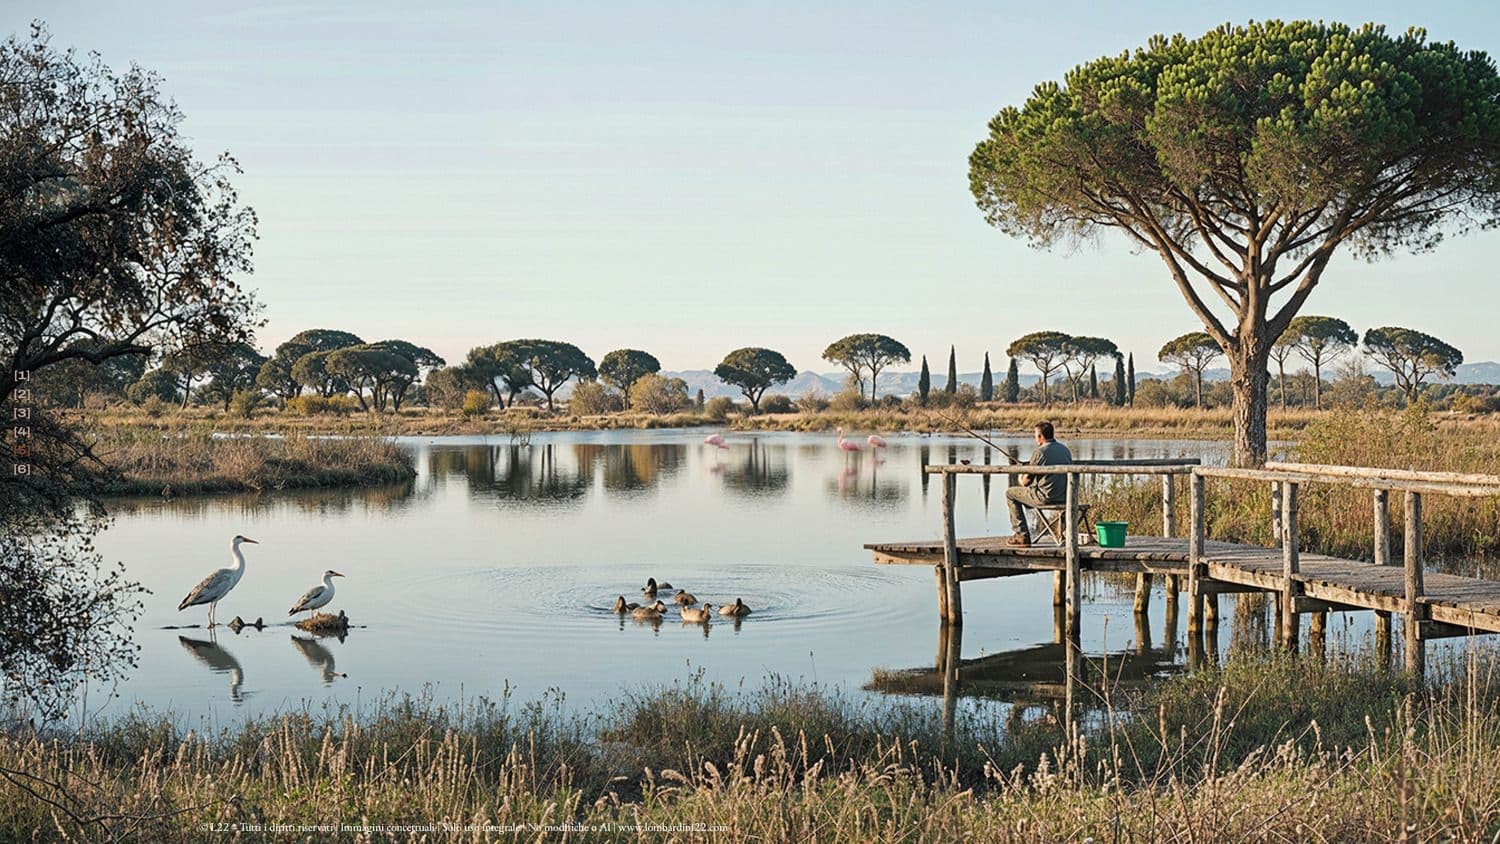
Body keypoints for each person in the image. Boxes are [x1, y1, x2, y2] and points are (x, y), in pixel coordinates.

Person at [1005, 420, 1072, 546]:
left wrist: (1020, 476)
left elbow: (1025, 482)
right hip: (1065, 497)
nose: (1035, 438)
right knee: (1028, 492)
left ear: (1041, 436)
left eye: (1035, 435)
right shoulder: (1065, 450)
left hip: (1045, 498)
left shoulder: (1039, 452)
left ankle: (1021, 535)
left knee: (1010, 493)